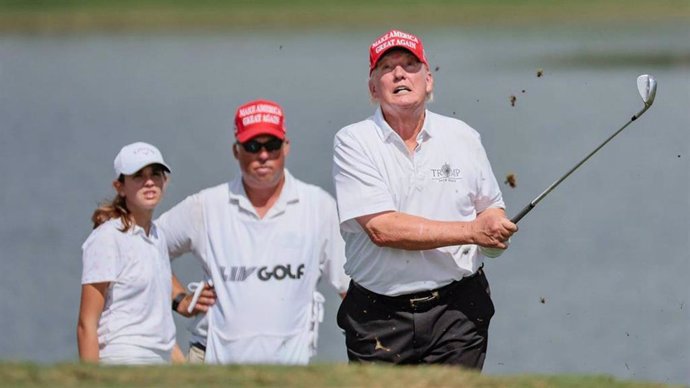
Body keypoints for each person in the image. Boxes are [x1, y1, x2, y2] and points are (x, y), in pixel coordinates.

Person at [332, 29, 518, 369]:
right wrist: (472, 232)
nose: (400, 73)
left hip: (458, 310)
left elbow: (490, 206)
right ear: (373, 88)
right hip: (378, 316)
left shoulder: (462, 136)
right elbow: (383, 229)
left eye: (410, 65)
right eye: (387, 67)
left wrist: (493, 227)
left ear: (428, 81)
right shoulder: (354, 142)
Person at [157, 99, 349, 365]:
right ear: (236, 151)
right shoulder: (206, 206)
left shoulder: (319, 206)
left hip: (292, 369)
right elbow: (143, 246)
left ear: (286, 147)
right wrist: (179, 299)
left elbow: (350, 285)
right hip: (211, 361)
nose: (262, 155)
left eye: (271, 145)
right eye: (252, 146)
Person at [77, 142, 177, 364]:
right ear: (119, 187)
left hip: (160, 362)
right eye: (138, 176)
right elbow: (87, 324)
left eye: (156, 174)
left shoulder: (157, 235)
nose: (149, 182)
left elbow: (159, 320)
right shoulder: (106, 238)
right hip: (123, 359)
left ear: (165, 181)